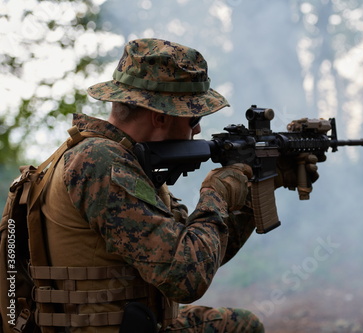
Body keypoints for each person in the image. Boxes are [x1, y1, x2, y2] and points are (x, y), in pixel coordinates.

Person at [35, 38, 264, 332]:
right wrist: (215, 194)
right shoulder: (100, 162)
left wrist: (253, 190)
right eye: (194, 116)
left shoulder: (123, 160)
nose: (197, 128)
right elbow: (186, 278)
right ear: (160, 117)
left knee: (241, 325)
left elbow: (201, 256)